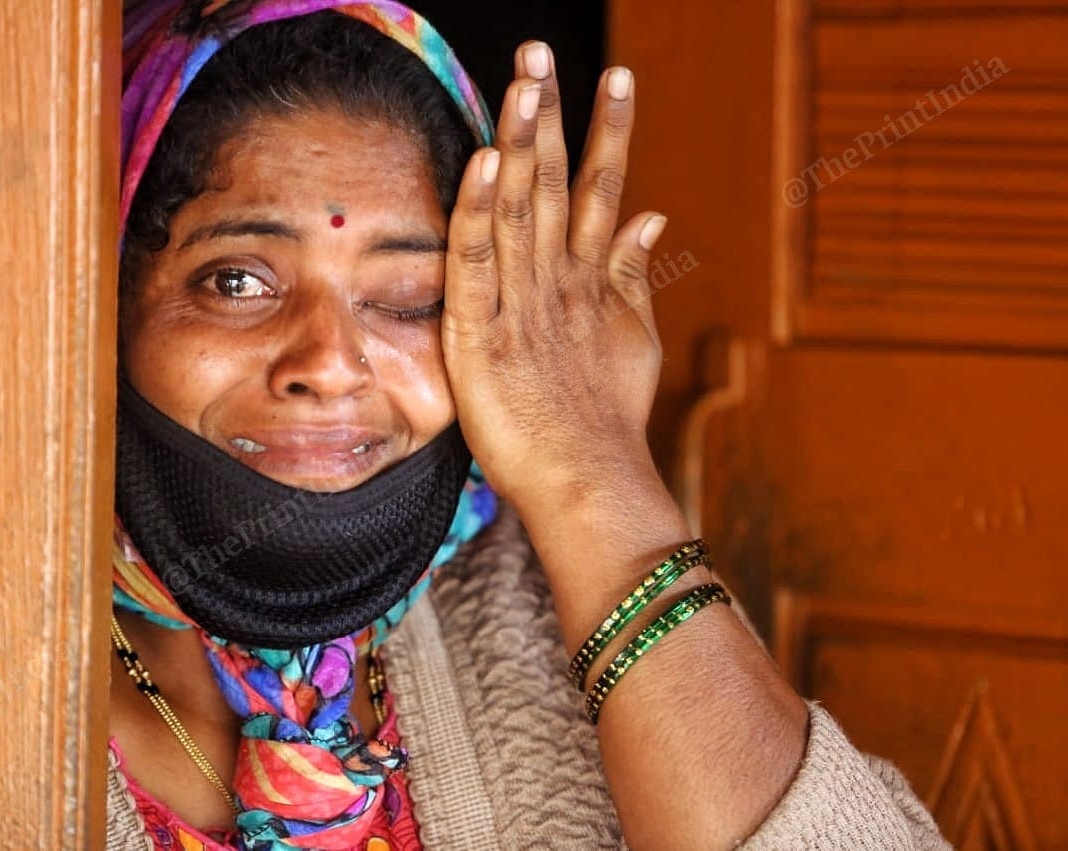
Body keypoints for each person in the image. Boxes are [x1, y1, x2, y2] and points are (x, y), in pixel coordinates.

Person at [106, 1, 951, 848]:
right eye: (235, 282)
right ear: (106, 303)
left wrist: (594, 476)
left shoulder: (547, 599)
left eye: (410, 298)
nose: (329, 363)